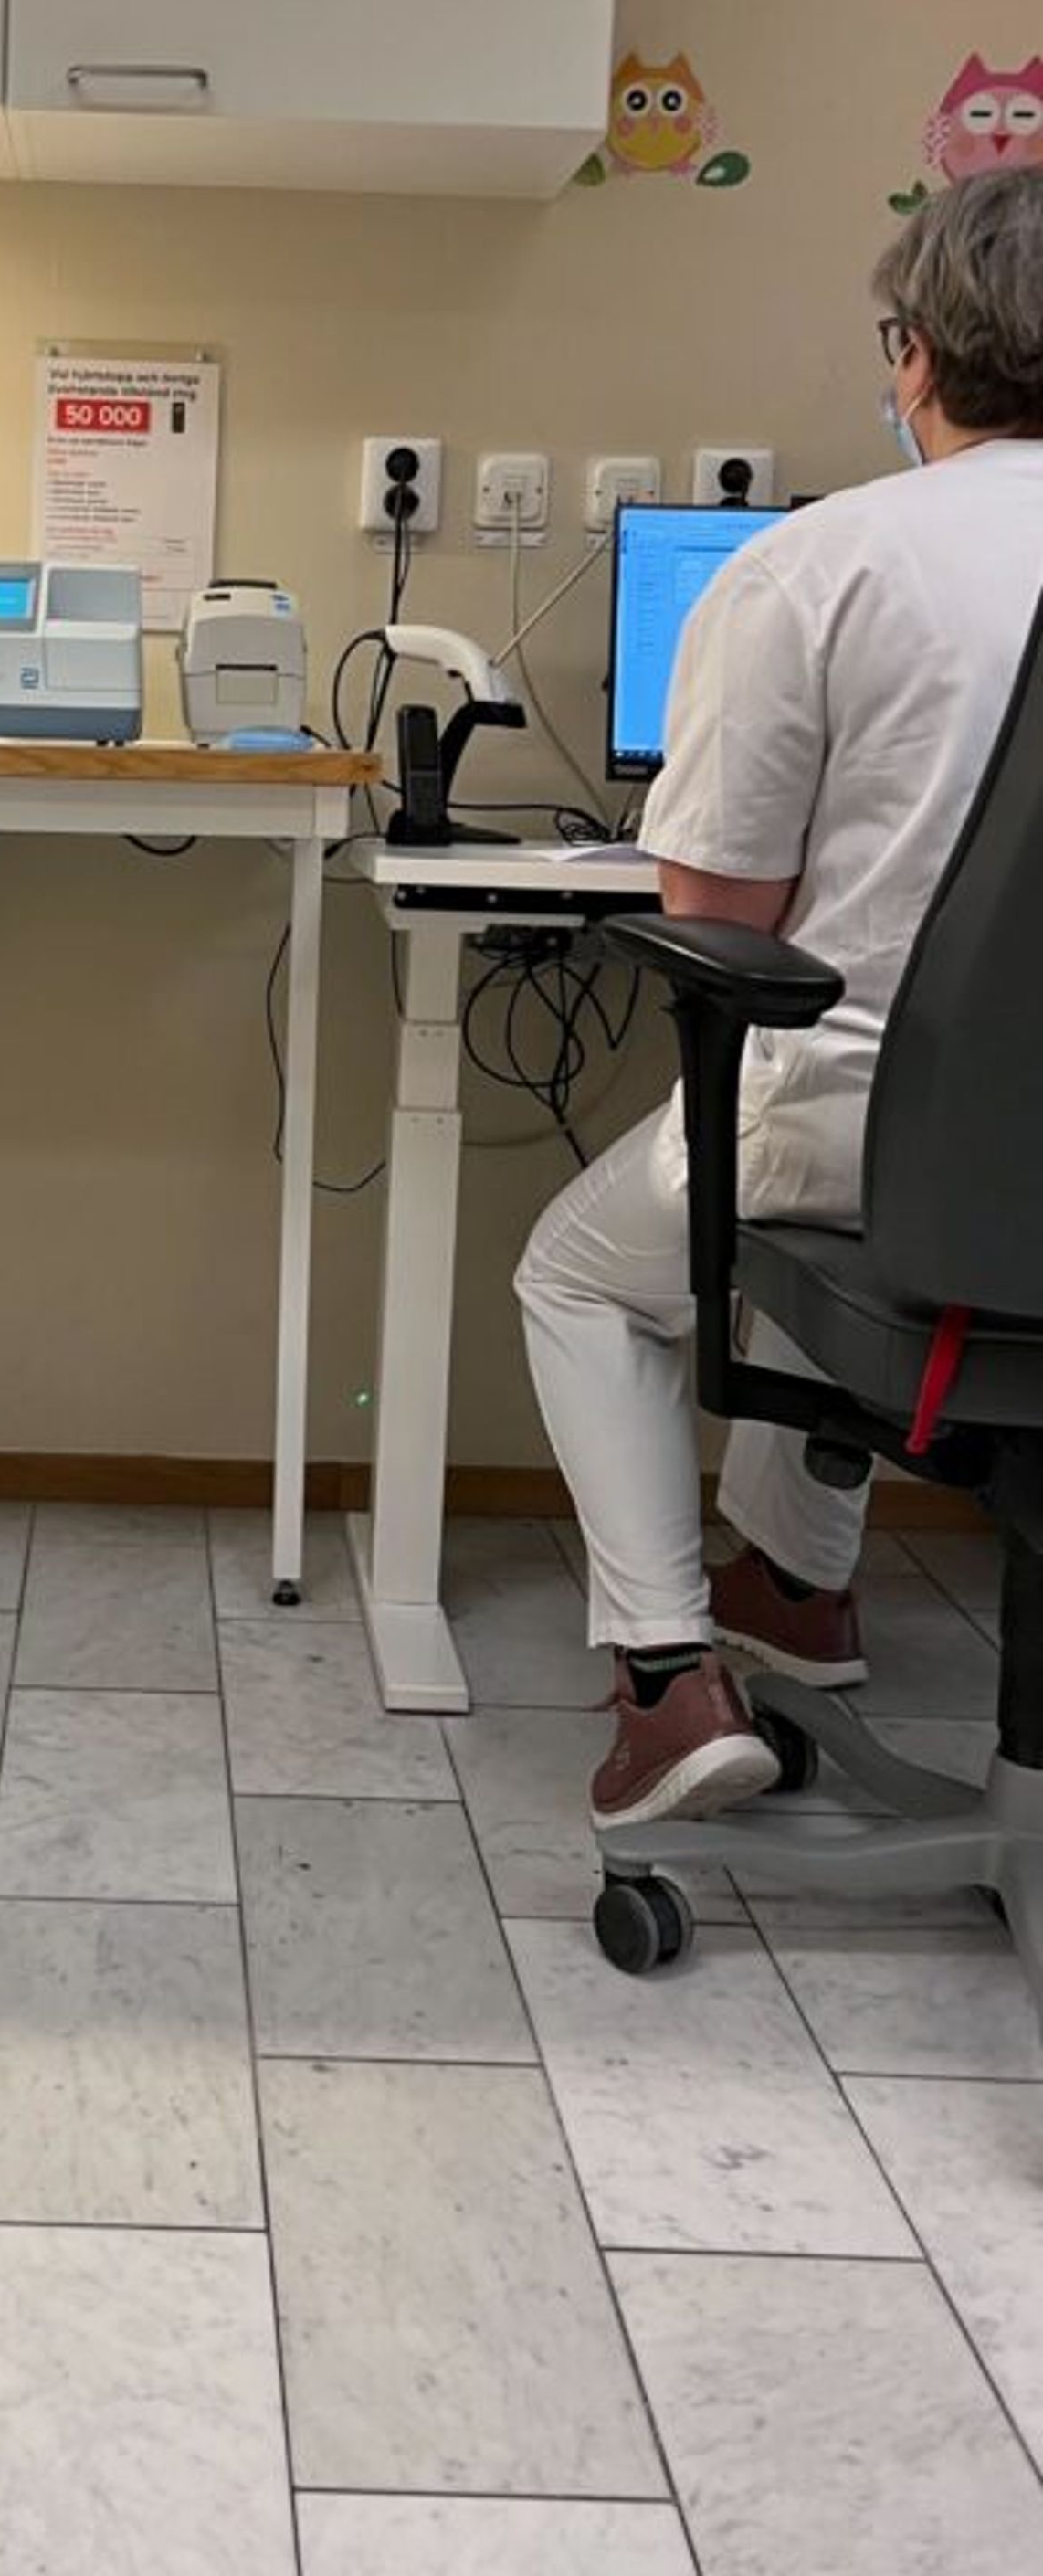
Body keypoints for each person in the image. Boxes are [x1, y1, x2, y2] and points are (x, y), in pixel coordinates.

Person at [516, 166, 1043, 1829]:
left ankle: (668, 1682)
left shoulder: (818, 568)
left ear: (915, 354)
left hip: (893, 1144)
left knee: (592, 1271)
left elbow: (721, 917)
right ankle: (797, 1590)